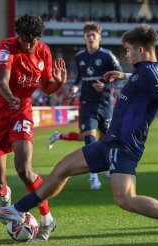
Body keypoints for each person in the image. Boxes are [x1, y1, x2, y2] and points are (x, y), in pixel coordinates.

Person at [0, 24, 158, 246]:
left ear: (141, 50)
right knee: (62, 168)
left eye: (128, 50)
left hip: (124, 147)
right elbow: (145, 82)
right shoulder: (144, 71)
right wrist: (122, 76)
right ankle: (18, 209)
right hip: (108, 143)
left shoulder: (151, 74)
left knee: (126, 199)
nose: (127, 55)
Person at [0, 13, 67, 241]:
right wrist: (9, 97)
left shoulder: (43, 52)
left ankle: (47, 220)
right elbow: (2, 82)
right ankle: (5, 195)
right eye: (25, 40)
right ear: (17, 35)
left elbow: (47, 87)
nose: (28, 45)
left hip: (21, 112)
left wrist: (58, 82)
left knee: (24, 169)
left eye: (33, 40)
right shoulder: (6, 47)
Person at [47, 21, 124, 190]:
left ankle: (104, 167)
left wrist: (106, 86)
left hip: (105, 103)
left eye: (93, 35)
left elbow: (119, 76)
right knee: (89, 139)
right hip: (87, 104)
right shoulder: (80, 56)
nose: (90, 38)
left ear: (99, 37)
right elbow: (79, 77)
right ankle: (93, 176)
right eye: (88, 35)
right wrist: (75, 87)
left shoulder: (107, 56)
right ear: (84, 37)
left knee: (105, 141)